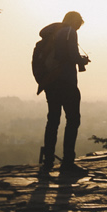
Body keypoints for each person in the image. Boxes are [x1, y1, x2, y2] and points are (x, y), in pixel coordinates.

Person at [36, 11, 91, 178]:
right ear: (75, 21)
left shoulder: (52, 36)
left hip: (51, 83)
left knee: (53, 120)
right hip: (66, 82)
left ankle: (48, 162)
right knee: (73, 120)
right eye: (79, 24)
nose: (78, 27)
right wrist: (81, 61)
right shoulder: (69, 32)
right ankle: (68, 162)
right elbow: (69, 55)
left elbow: (60, 55)